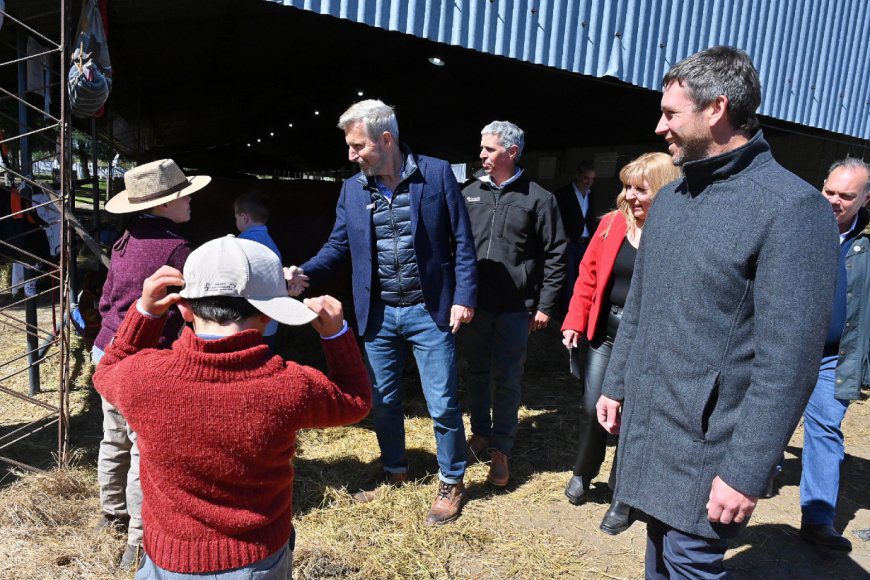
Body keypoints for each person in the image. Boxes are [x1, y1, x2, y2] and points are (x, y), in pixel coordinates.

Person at [595, 46, 839, 578]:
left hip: (710, 444)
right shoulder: (677, 198)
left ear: (716, 108)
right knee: (658, 555)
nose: (660, 126)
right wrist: (615, 385)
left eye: (670, 113)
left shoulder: (792, 210)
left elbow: (789, 363)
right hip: (653, 424)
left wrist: (746, 471)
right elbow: (639, 305)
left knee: (687, 564)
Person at [93, 236, 371, 579]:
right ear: (269, 317)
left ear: (183, 309)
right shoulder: (289, 385)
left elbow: (106, 370)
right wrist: (336, 334)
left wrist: (145, 313)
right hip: (255, 561)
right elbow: (355, 401)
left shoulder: (143, 377)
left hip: (167, 558)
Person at [285, 99, 477, 525]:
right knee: (383, 400)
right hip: (379, 313)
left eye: (358, 146)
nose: (351, 155)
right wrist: (304, 273)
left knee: (442, 402)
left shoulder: (437, 174)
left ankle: (452, 480)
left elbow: (462, 240)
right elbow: (338, 246)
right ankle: (395, 469)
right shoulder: (353, 189)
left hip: (430, 312)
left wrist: (464, 295)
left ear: (385, 139)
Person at [92, 159, 211, 569]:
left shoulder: (124, 241)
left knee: (113, 437)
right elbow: (185, 308)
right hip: (146, 355)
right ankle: (138, 539)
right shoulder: (177, 249)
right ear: (164, 205)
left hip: (108, 350)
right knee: (146, 448)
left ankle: (110, 513)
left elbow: (107, 299)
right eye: (183, 196)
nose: (191, 201)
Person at [561, 153, 679, 534]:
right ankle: (584, 470)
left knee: (635, 419)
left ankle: (622, 495)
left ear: (662, 190)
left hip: (649, 341)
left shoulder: (676, 233)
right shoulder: (611, 225)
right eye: (627, 187)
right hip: (606, 333)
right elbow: (588, 277)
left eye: (640, 189)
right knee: (593, 406)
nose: (629, 196)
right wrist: (575, 321)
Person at [460, 120, 567, 486]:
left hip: (516, 307)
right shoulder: (469, 193)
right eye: (482, 148)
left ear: (511, 152)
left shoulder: (538, 198)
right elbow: (456, 248)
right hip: (475, 304)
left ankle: (501, 449)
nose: (482, 155)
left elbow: (556, 254)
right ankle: (480, 432)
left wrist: (546, 304)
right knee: (475, 372)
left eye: (489, 149)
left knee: (507, 377)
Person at [798, 158, 870, 552]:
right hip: (787, 350)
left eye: (846, 196)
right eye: (830, 192)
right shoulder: (797, 225)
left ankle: (818, 520)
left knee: (825, 430)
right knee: (767, 421)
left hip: (836, 359)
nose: (834, 202)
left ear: (865, 199)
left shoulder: (868, 244)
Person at [554, 161, 612, 317]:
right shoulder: (562, 194)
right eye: (586, 178)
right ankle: (566, 316)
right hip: (570, 244)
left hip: (585, 244)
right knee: (569, 281)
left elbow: (589, 217)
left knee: (584, 280)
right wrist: (562, 237)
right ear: (577, 175)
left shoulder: (590, 194)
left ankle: (579, 313)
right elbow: (556, 217)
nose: (589, 182)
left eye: (592, 179)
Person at [234, 192, 282, 351]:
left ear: (244, 217)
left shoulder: (242, 244)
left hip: (247, 322)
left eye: (236, 217)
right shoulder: (270, 243)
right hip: (269, 321)